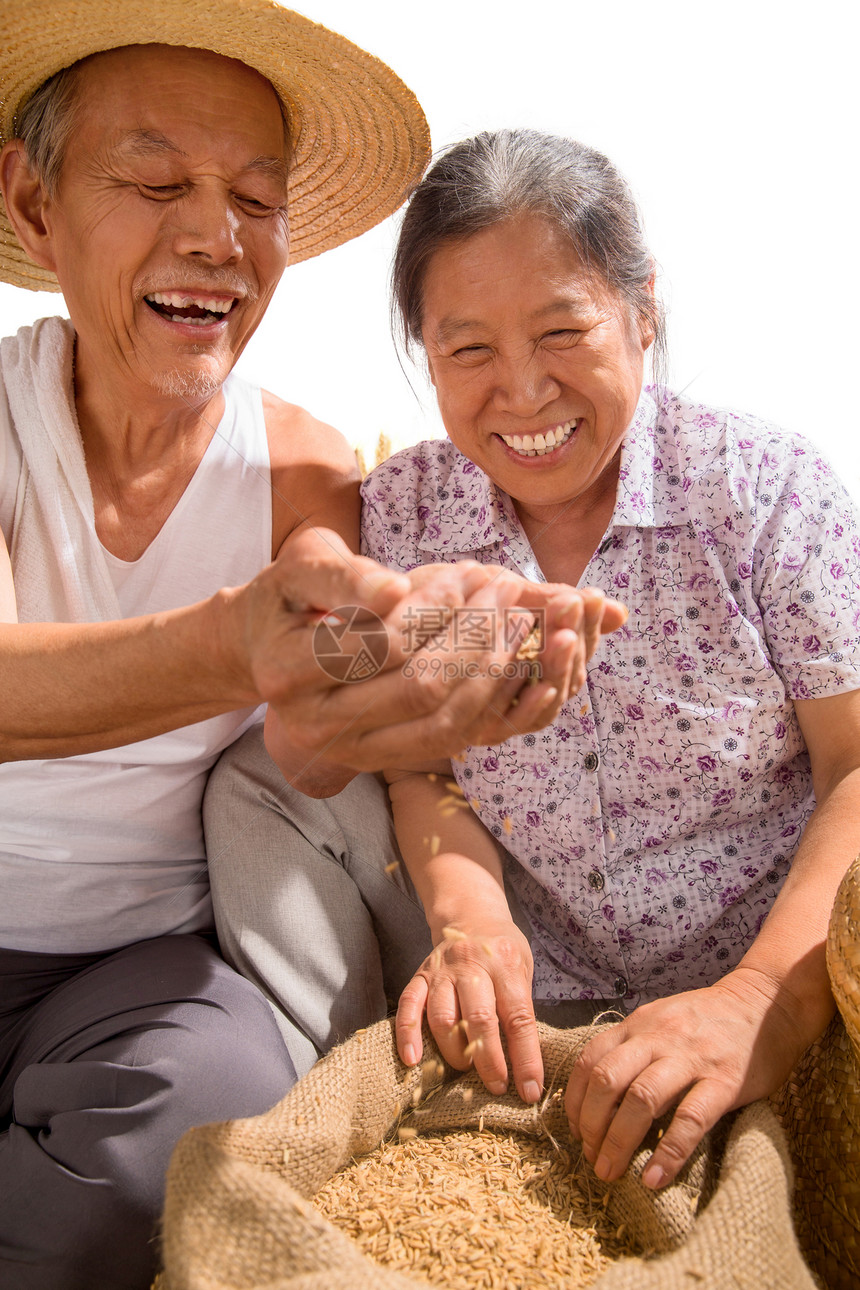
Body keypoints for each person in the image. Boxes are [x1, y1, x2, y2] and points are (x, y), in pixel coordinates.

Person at [0, 7, 619, 1284]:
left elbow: (315, 728)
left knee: (179, 1154)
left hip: (135, 967)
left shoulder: (302, 461)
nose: (214, 238)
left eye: (255, 198)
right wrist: (235, 643)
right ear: (34, 201)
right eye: (158, 181)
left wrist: (434, 660)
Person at [356, 128, 860, 1195]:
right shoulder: (404, 516)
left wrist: (760, 998)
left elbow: (853, 769)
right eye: (467, 350)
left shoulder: (762, 493)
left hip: (780, 980)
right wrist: (474, 924)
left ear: (640, 314)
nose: (524, 391)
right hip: (555, 996)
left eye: (562, 330)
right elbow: (420, 766)